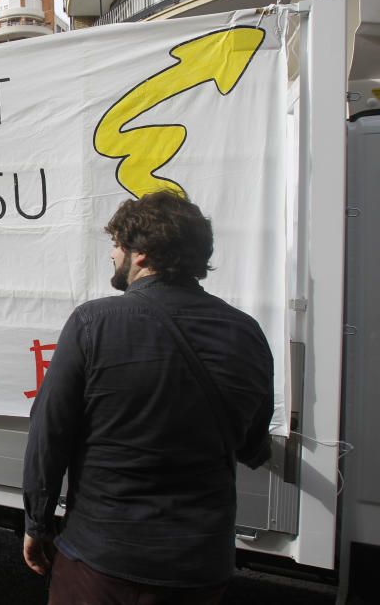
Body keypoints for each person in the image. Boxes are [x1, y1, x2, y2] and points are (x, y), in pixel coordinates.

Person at [22, 192, 274, 604]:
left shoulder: (93, 323)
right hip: (200, 562)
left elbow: (49, 435)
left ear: (140, 254)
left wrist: (37, 523)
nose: (112, 254)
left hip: (102, 556)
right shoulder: (246, 332)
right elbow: (251, 444)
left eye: (117, 244)